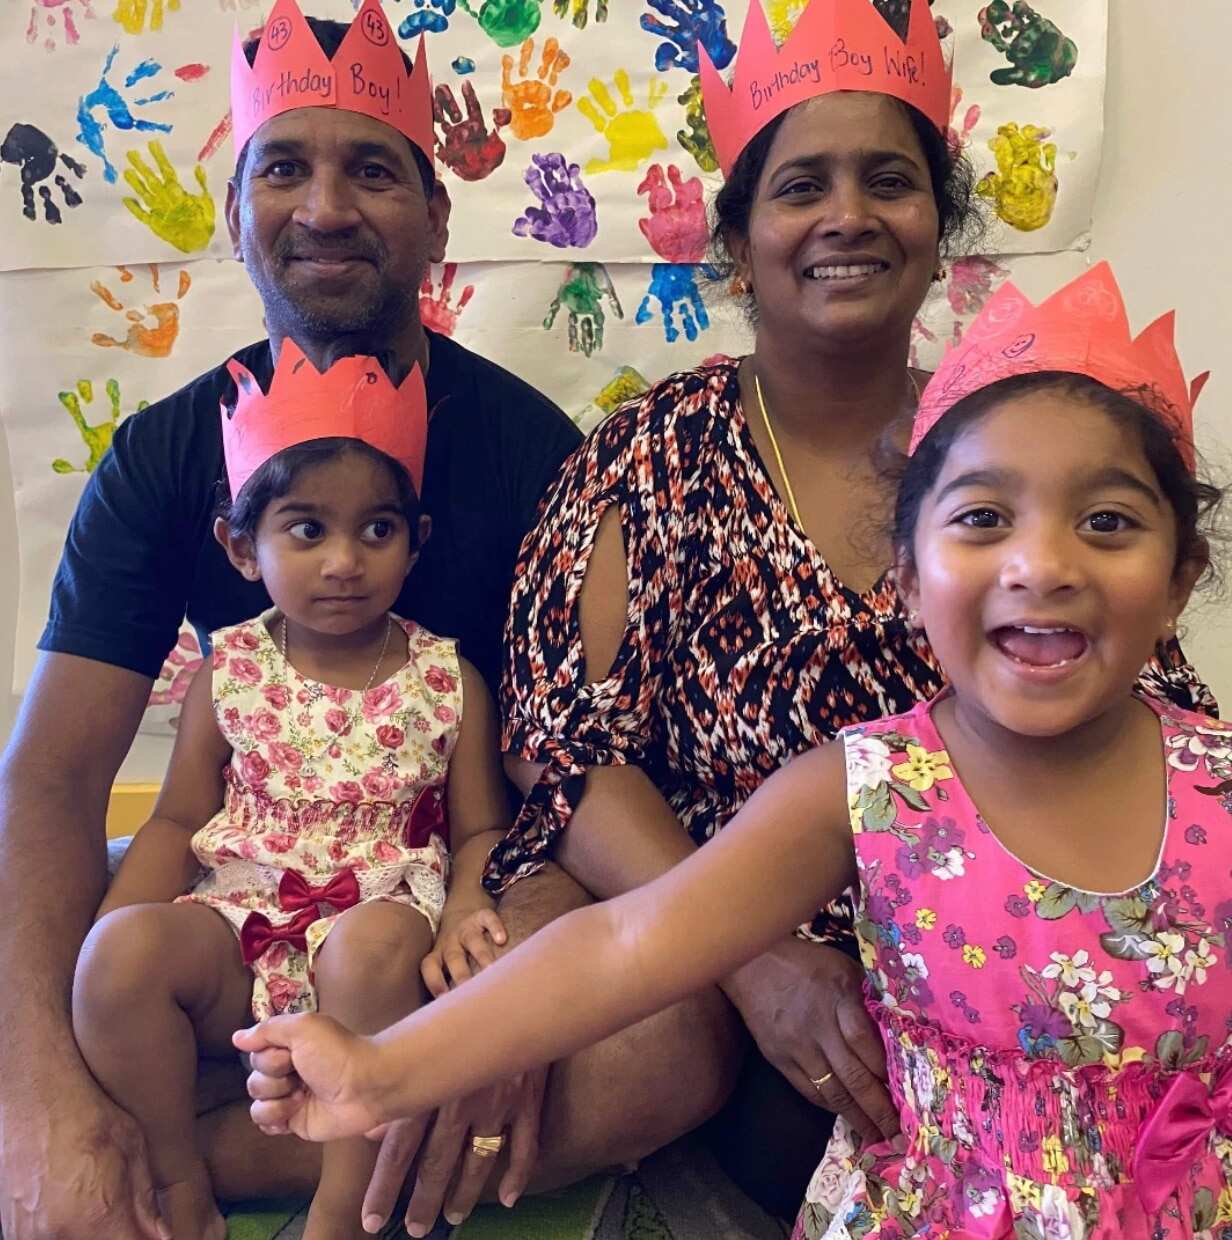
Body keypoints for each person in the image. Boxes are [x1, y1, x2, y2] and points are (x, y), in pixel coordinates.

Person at [238, 260, 1232, 1238]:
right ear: (906, 576)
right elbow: (622, 945)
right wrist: (382, 1069)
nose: (1040, 564)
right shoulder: (866, 793)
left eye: (1105, 521)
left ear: (1179, 575)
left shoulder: (1215, 789)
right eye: (981, 518)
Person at [484, 0, 1216, 1220]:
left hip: (996, 952)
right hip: (729, 953)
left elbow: (1147, 715)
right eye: (799, 185)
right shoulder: (647, 458)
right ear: (735, 243)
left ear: (939, 230)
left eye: (888, 179)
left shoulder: (1014, 449)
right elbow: (566, 745)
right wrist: (754, 959)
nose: (847, 215)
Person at [0, 4, 580, 1239]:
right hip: (235, 914)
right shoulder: (158, 458)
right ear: (235, 214)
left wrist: (510, 994)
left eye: (370, 168)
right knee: (69, 984)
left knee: (659, 1052)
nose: (323, 208)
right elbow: (52, 783)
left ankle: (235, 1155)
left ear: (436, 216)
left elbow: (579, 778)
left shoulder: (539, 454)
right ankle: (209, 1132)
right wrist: (43, 1095)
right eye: (283, 167)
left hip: (426, 934)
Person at [71, 347, 515, 1240]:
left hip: (381, 939)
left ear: (415, 541)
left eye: (377, 531)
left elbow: (480, 831)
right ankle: (178, 1181)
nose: (345, 561)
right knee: (117, 958)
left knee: (371, 945)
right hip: (243, 925)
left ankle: (341, 1210)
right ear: (242, 547)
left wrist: (469, 902)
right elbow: (176, 819)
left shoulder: (446, 675)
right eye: (307, 530)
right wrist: (108, 931)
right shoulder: (227, 671)